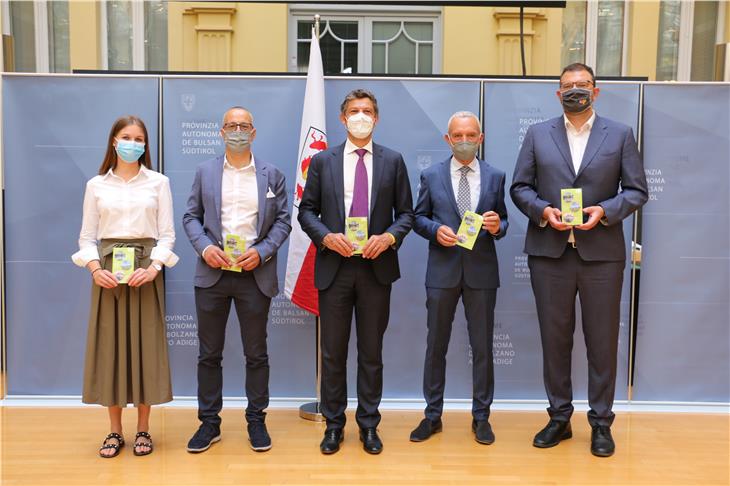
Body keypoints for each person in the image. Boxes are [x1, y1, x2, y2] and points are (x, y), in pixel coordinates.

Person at [510, 63, 648, 457]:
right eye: (567, 86)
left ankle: (601, 423)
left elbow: (637, 190)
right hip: (549, 253)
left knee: (602, 341)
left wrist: (604, 211)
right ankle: (559, 418)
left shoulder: (619, 134)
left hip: (602, 255)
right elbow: (520, 187)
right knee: (555, 341)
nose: (575, 91)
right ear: (557, 94)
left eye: (582, 85)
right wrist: (542, 211)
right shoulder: (538, 134)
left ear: (596, 91)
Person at [298, 89, 414, 455]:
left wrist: (390, 238)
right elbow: (306, 212)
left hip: (375, 269)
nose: (360, 116)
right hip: (335, 267)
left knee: (371, 352)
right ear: (342, 118)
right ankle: (334, 426)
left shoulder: (393, 161)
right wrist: (326, 237)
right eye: (354, 111)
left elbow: (407, 214)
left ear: (376, 119)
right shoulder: (322, 162)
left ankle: (368, 425)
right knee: (333, 353)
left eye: (367, 111)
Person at [183, 106, 291, 453]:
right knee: (208, 354)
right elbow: (190, 217)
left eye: (244, 125)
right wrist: (203, 249)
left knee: (256, 354)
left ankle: (256, 421)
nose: (238, 131)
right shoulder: (205, 172)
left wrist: (262, 252)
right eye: (231, 125)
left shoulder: (272, 174)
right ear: (221, 132)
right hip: (213, 273)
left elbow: (284, 222)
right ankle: (209, 424)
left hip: (253, 274)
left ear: (254, 132)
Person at [72, 115, 178, 458]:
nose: (133, 142)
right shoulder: (96, 185)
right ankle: (115, 431)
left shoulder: (159, 182)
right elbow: (87, 237)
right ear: (114, 142)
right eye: (126, 136)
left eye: (139, 138)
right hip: (108, 275)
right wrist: (92, 267)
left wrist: (154, 267)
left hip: (145, 273)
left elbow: (167, 234)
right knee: (111, 348)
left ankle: (144, 429)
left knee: (146, 348)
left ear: (145, 145)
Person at [411, 111, 508, 445]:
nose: (464, 141)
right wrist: (435, 230)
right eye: (458, 135)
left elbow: (504, 222)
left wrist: (498, 227)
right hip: (442, 272)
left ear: (480, 138)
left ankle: (481, 418)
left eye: (471, 135)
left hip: (481, 273)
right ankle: (432, 416)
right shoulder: (431, 175)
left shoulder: (496, 176)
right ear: (447, 139)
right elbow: (418, 218)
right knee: (435, 345)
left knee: (482, 348)